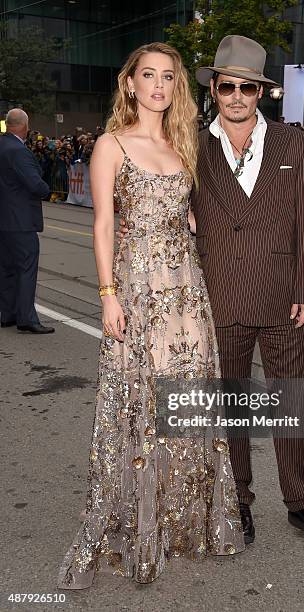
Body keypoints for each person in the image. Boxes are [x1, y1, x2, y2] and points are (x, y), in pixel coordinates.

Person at [120, 35, 304, 549]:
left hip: (283, 296)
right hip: (218, 297)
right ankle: (237, 499)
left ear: (260, 92)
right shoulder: (190, 143)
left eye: (247, 86)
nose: (237, 96)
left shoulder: (294, 144)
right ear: (213, 90)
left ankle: (303, 502)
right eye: (227, 86)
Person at [57, 42, 244, 591]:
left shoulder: (184, 145)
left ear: (175, 86)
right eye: (149, 75)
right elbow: (103, 227)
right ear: (131, 83)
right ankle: (141, 521)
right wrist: (108, 293)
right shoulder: (111, 145)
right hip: (137, 290)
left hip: (186, 291)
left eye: (168, 76)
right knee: (142, 401)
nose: (158, 85)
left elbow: (191, 218)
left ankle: (183, 522)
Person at [0, 109, 54, 334]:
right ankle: (26, 317)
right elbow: (35, 183)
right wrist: (46, 189)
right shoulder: (18, 151)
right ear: (24, 126)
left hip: (3, 219)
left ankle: (8, 313)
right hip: (19, 220)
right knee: (26, 267)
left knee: (7, 268)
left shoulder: (2, 146)